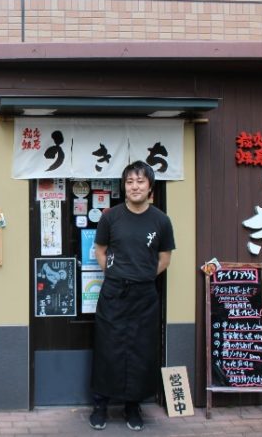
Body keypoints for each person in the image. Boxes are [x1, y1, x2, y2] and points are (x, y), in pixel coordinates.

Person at [89, 160, 175, 432]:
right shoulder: (110, 217)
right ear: (123, 187)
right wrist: (116, 274)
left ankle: (132, 406)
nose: (134, 186)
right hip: (114, 292)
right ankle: (100, 405)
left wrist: (144, 276)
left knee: (140, 350)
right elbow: (100, 251)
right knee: (107, 348)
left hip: (145, 295)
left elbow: (165, 258)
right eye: (129, 182)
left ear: (150, 186)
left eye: (140, 181)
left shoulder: (161, 220)